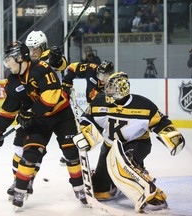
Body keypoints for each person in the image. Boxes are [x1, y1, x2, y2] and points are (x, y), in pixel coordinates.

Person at [0, 41, 85, 208]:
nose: (7, 65)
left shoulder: (41, 68)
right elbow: (9, 109)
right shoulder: (13, 81)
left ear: (19, 58)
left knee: (70, 151)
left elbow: (51, 97)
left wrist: (30, 112)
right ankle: (20, 188)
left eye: (9, 60)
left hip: (61, 115)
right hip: (39, 119)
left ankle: (80, 188)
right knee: (31, 151)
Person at [73, 72, 185, 212]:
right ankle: (116, 180)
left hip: (136, 143)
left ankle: (151, 194)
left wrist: (171, 136)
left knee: (124, 165)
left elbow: (161, 122)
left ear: (122, 89)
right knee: (101, 191)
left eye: (111, 88)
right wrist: (85, 133)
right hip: (109, 145)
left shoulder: (144, 105)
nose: (107, 90)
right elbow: (87, 118)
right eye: (108, 87)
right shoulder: (99, 102)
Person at [5, 30, 68, 198]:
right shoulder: (26, 63)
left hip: (50, 111)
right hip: (31, 110)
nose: (33, 52)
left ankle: (28, 179)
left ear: (44, 47)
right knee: (19, 147)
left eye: (36, 49)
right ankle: (18, 181)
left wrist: (56, 58)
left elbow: (62, 64)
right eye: (30, 49)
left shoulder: (49, 60)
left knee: (36, 149)